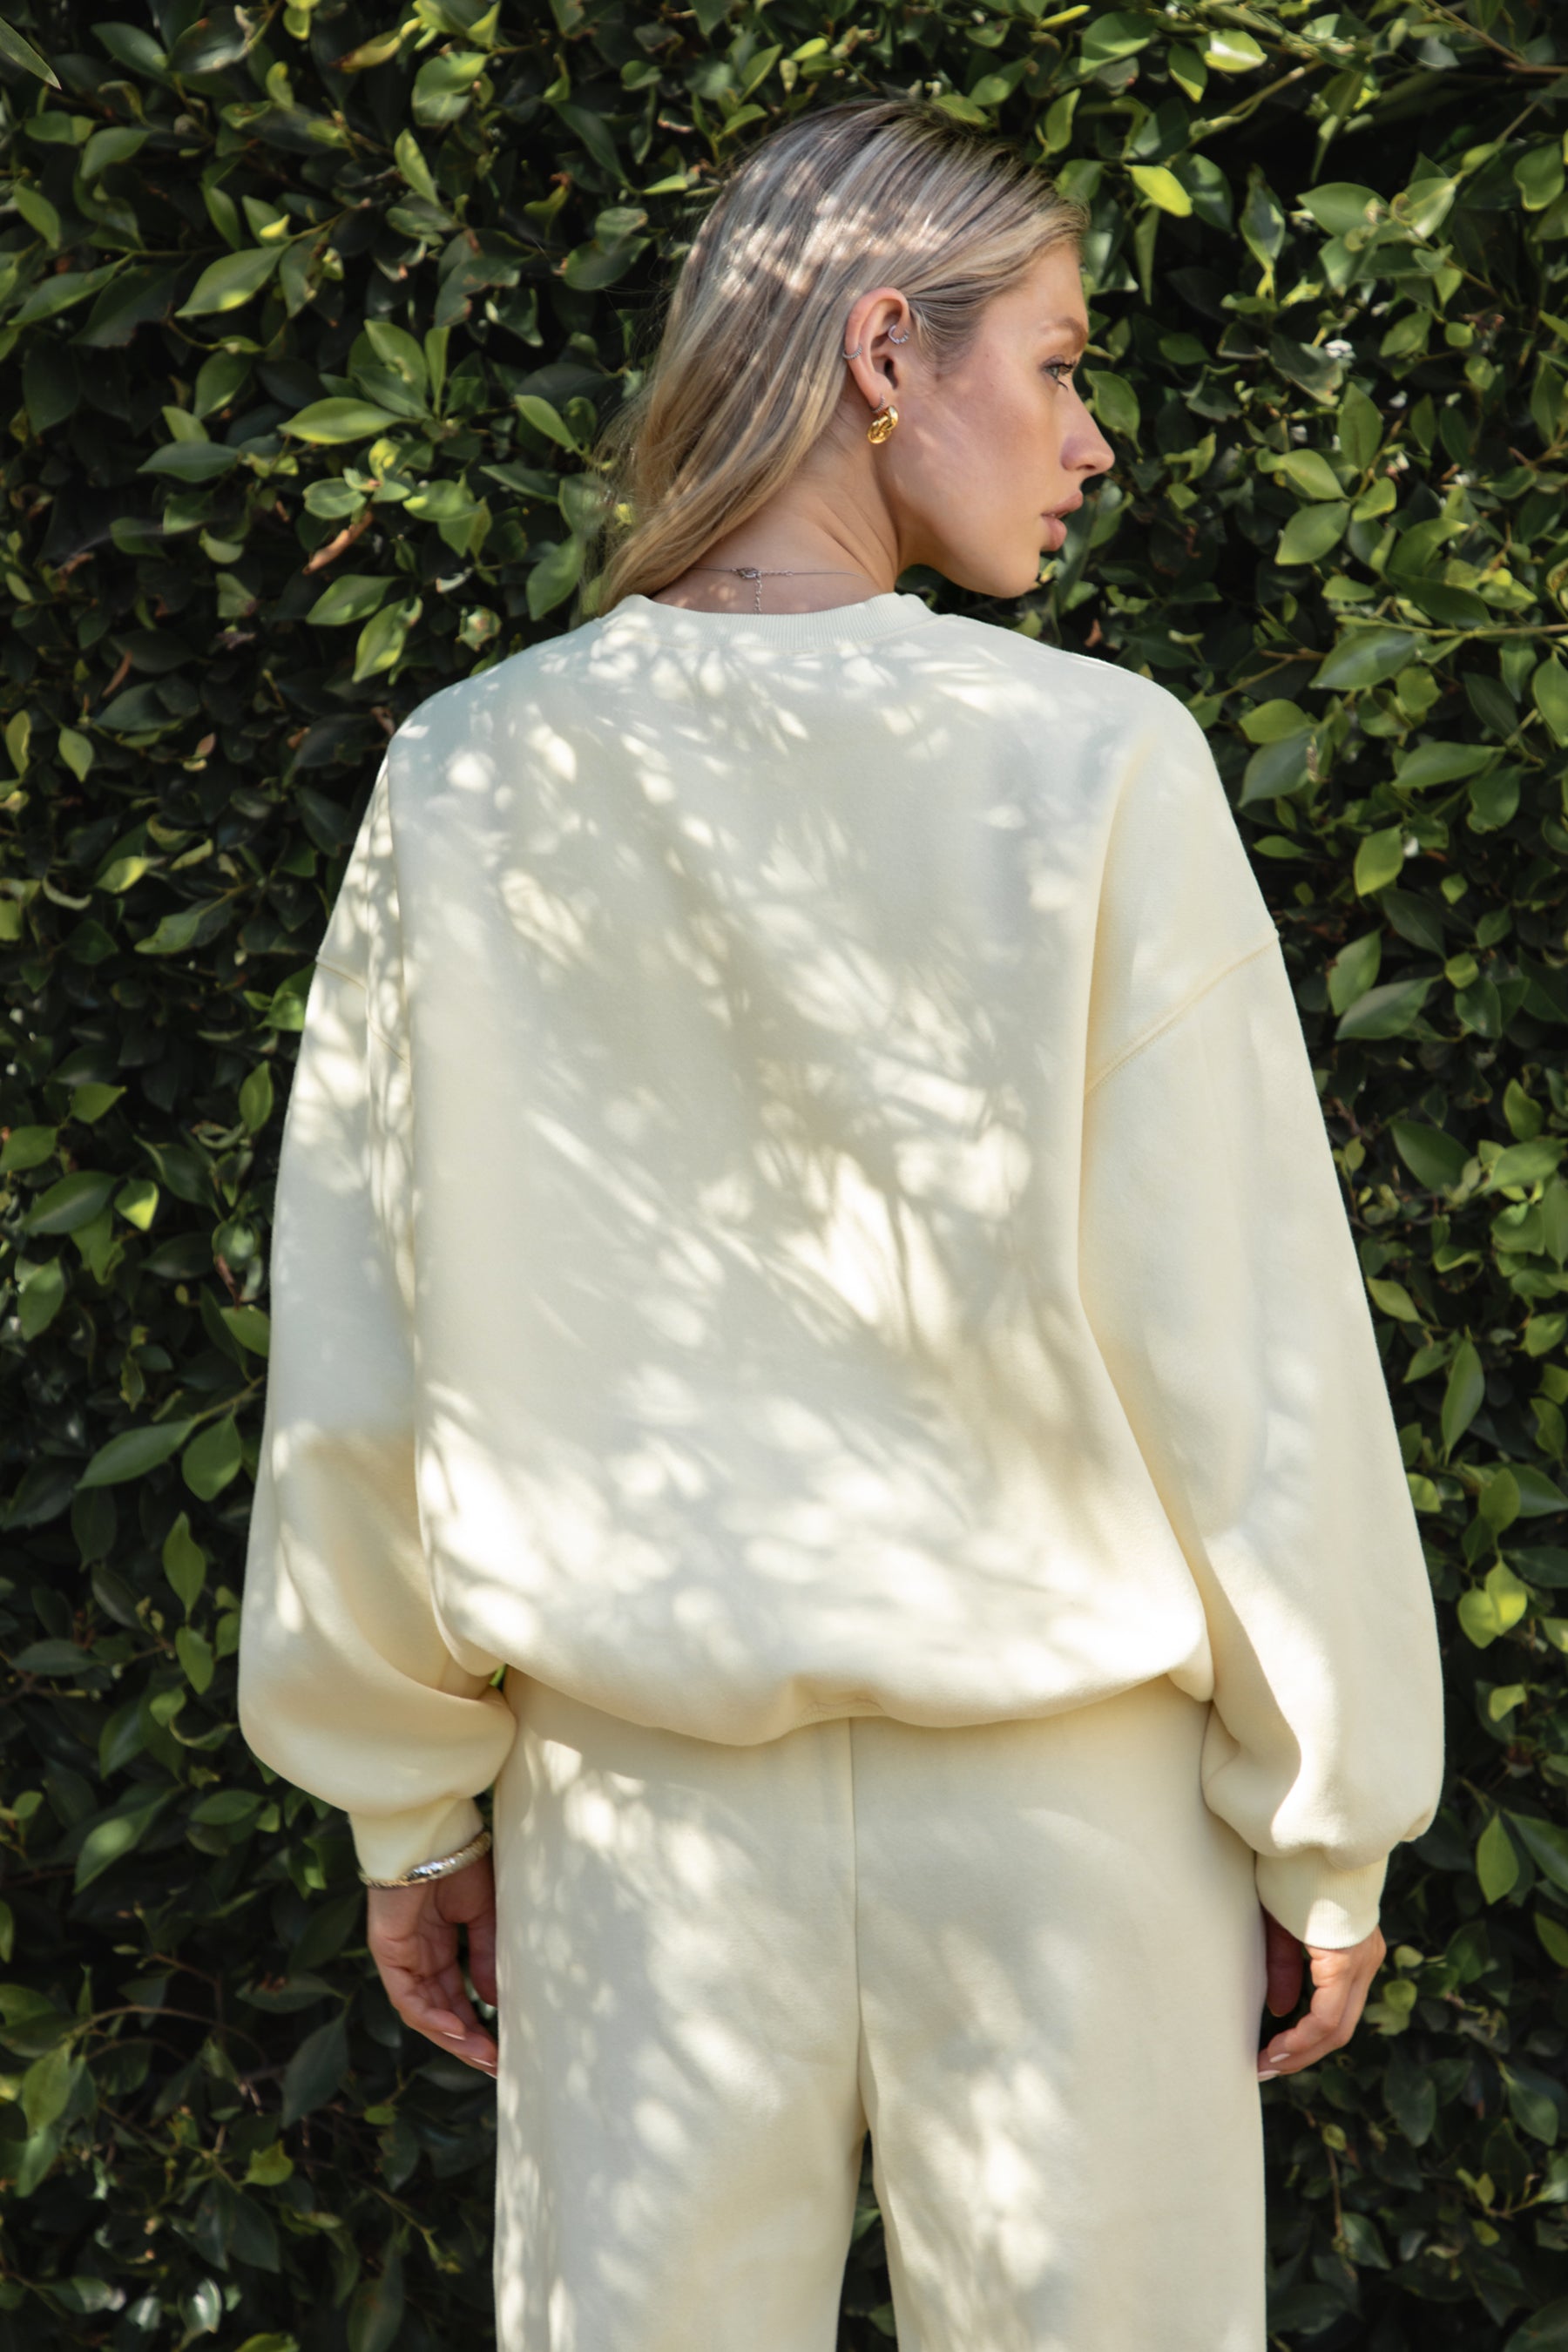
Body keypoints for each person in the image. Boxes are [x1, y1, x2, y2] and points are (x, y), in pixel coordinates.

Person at [237, 95, 1445, 2352]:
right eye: (1064, 360)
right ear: (889, 351)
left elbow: (371, 1352)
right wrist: (1324, 1820)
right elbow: (1243, 1340)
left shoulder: (477, 775)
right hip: (1071, 1835)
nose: (1090, 438)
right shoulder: (1098, 765)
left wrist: (410, 1806)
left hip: (639, 1831)